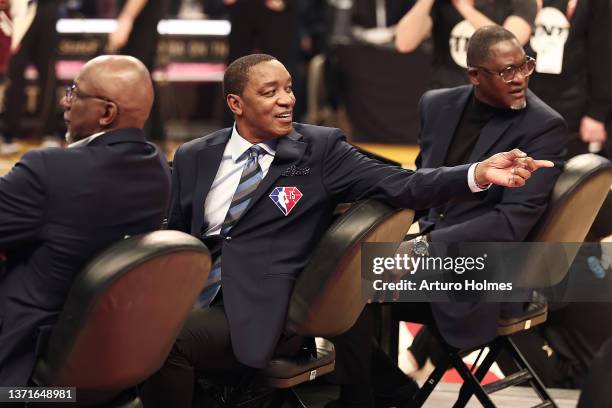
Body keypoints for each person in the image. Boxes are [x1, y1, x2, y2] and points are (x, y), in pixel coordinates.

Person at [140, 52, 554, 407]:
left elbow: (406, 184)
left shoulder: (320, 151)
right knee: (131, 322)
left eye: (288, 88)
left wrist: (477, 173)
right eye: (270, 93)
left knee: (163, 340)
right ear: (236, 103)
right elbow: (176, 233)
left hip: (263, 311)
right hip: (193, 296)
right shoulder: (195, 155)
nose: (286, 100)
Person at [329, 26, 567, 407]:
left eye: (525, 66)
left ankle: (369, 396)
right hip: (434, 250)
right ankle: (387, 389)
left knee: (343, 285)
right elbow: (423, 189)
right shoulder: (436, 105)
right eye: (506, 71)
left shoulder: (543, 125)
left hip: (488, 268)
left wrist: (422, 248)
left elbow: (510, 223)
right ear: (475, 74)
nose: (520, 78)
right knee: (337, 272)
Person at [0, 55, 171, 386]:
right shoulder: (159, 169)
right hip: (104, 352)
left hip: (24, 355)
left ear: (106, 112)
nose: (65, 102)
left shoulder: (50, 170)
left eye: (75, 92)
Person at [394, 0, 537, 89]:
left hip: (496, 102)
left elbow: (508, 46)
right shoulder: (441, 4)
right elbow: (404, 43)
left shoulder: (519, 3)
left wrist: (461, 5)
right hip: (446, 98)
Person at [0, 0, 62, 155]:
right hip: (15, 8)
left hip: (44, 7)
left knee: (47, 72)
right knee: (12, 71)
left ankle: (49, 132)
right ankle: (8, 133)